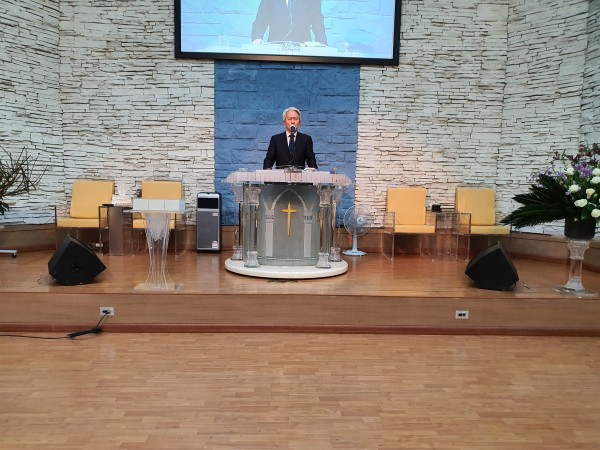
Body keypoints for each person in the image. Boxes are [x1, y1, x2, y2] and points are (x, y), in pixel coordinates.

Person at [251, 0, 327, 46]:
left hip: (303, 50)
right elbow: (261, 20)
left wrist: (321, 43)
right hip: (275, 49)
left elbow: (317, 21)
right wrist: (257, 38)